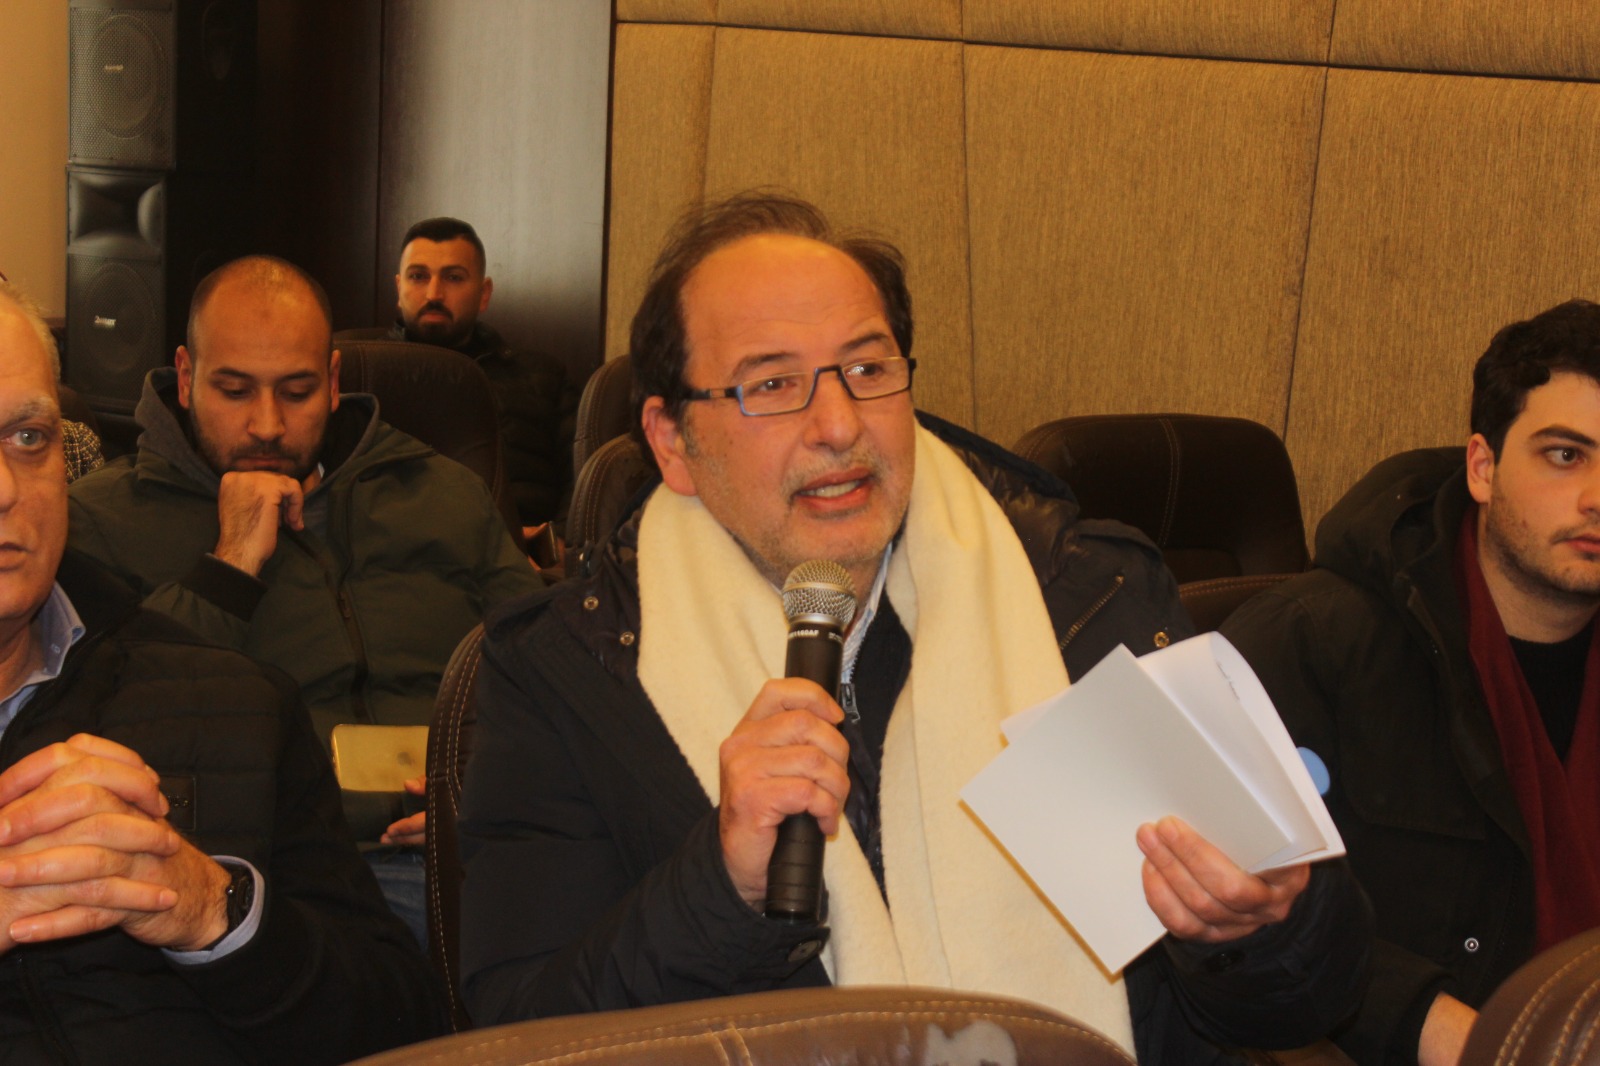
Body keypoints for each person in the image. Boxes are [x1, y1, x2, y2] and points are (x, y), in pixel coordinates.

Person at [457, 194, 1370, 1063]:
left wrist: (1256, 927)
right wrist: (721, 889)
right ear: (671, 441)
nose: (838, 425)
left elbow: (1306, 999)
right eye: (772, 384)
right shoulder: (567, 673)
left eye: (867, 370)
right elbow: (527, 1036)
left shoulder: (1086, 597)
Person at [0, 281, 445, 1060]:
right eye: (235, 388)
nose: (5, 489)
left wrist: (218, 911)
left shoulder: (238, 702)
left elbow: (398, 1021)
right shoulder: (122, 522)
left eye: (28, 438)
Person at [66, 256, 544, 947]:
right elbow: (117, 726)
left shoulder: (440, 493)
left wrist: (491, 788)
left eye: (296, 392)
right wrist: (229, 565)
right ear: (187, 377)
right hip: (280, 871)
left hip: (482, 845)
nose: (267, 425)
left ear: (334, 381)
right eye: (235, 391)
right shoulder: (102, 520)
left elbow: (546, 674)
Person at [1222, 298, 1600, 1066]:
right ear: (1483, 468)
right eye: (1565, 455)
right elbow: (1231, 924)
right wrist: (1445, 1028)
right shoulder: (1311, 642)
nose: (1597, 496)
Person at [385, 216, 579, 539]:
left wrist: (556, 543)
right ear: (398, 288)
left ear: (484, 293)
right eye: (418, 276)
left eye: (453, 277)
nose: (434, 294)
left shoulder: (545, 380)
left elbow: (582, 483)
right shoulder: (363, 374)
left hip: (521, 556)